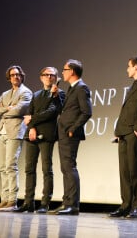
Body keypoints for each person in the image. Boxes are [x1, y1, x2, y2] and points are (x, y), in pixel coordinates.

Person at [13, 67, 65, 214]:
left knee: (46, 169)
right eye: (46, 75)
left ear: (56, 78)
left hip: (47, 135)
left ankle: (44, 203)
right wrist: (32, 127)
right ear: (41, 77)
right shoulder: (36, 95)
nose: (49, 77)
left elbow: (53, 112)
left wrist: (32, 120)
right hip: (32, 134)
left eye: (52, 75)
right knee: (29, 169)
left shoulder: (59, 94)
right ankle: (28, 202)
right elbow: (29, 113)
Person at [109, 55, 137, 219]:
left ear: (136, 67)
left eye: (129, 66)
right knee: (124, 171)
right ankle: (125, 205)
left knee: (134, 170)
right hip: (123, 133)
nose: (127, 69)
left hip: (134, 133)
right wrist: (118, 131)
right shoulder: (133, 85)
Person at [49, 59, 92, 216]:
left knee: (69, 167)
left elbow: (87, 112)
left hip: (70, 133)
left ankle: (72, 204)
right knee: (65, 167)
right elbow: (65, 110)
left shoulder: (81, 88)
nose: (62, 72)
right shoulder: (72, 88)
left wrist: (73, 129)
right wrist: (55, 97)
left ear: (72, 71)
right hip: (63, 133)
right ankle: (67, 201)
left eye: (65, 69)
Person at [0, 65, 33, 212]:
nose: (15, 77)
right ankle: (4, 200)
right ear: (9, 78)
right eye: (13, 75)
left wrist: (4, 110)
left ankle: (12, 201)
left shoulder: (26, 92)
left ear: (22, 76)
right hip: (2, 132)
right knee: (2, 168)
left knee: (10, 166)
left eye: (18, 75)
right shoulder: (5, 94)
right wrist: (8, 108)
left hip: (15, 131)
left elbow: (20, 110)